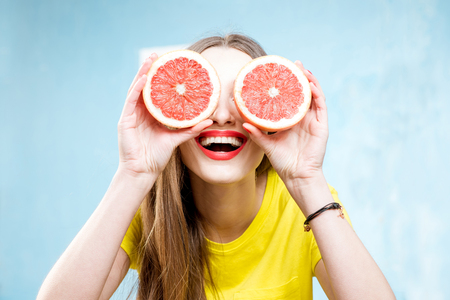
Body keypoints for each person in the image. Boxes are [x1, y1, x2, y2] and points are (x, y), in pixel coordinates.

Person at [37, 34, 395, 300]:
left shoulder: (305, 206)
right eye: (204, 98)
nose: (223, 115)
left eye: (242, 98)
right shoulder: (149, 209)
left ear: (273, 120)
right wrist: (133, 174)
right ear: (176, 119)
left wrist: (308, 179)